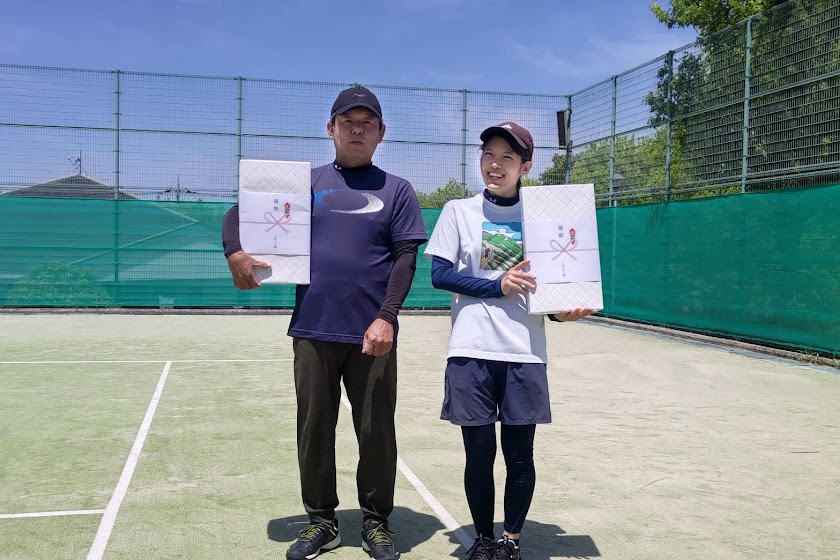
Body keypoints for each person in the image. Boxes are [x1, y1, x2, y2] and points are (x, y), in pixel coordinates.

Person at [221, 85, 428, 560]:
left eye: (367, 123)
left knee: (376, 431)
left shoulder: (397, 189)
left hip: (373, 333)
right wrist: (234, 251)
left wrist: (386, 318)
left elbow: (405, 259)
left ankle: (376, 522)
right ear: (330, 129)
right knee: (314, 429)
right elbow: (238, 213)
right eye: (348, 122)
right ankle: (322, 522)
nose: (357, 130)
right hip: (313, 329)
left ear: (381, 133)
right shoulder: (304, 184)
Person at [423, 122, 595, 560]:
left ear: (525, 166)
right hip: (470, 350)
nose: (495, 164)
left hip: (524, 352)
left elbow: (548, 287)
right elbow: (439, 275)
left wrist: (561, 311)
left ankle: (510, 541)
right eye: (489, 154)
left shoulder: (544, 216)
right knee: (479, 454)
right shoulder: (458, 211)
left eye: (507, 157)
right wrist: (496, 285)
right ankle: (483, 539)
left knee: (520, 456)